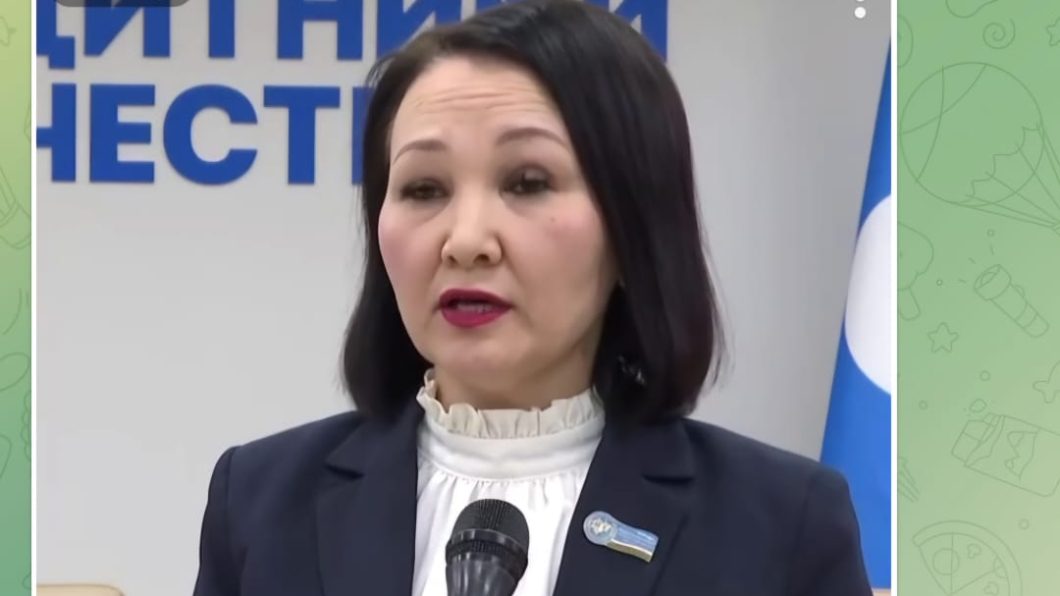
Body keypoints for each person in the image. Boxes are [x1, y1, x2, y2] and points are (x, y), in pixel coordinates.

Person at [192, 1, 873, 594]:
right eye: (424, 189)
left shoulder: (782, 524)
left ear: (633, 223)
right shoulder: (258, 501)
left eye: (527, 182)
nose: (465, 241)